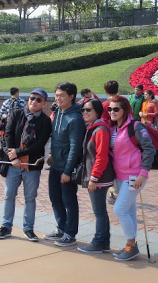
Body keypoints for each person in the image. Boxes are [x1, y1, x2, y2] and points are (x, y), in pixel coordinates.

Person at [0, 88, 52, 242]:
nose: (34, 101)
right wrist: (12, 157)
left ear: (44, 103)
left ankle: (28, 228)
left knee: (30, 197)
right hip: (14, 164)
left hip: (32, 165)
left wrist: (17, 153)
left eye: (39, 100)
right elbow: (8, 136)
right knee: (9, 195)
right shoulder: (16, 114)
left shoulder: (45, 121)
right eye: (32, 98)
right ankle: (6, 226)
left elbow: (40, 144)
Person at [108, 95, 154, 261]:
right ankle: (131, 246)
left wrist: (143, 174)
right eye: (110, 109)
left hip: (134, 176)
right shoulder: (113, 129)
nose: (112, 112)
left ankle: (130, 245)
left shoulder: (135, 126)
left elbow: (149, 150)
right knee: (129, 211)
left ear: (125, 110)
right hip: (119, 177)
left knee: (119, 210)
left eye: (116, 109)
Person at [44, 82, 85, 247]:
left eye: (62, 95)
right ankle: (61, 228)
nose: (58, 98)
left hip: (67, 167)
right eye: (56, 95)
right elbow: (56, 138)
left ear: (71, 96)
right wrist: (52, 154)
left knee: (69, 200)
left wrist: (67, 171)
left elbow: (75, 147)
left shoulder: (75, 118)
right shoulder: (59, 112)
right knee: (55, 198)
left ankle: (70, 233)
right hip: (55, 164)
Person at [77, 99, 115, 254]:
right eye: (83, 110)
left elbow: (101, 157)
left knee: (99, 211)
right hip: (96, 175)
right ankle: (104, 242)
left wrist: (94, 178)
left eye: (88, 110)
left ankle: (98, 242)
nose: (85, 113)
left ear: (97, 112)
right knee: (100, 210)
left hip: (99, 177)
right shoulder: (92, 128)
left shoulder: (100, 130)